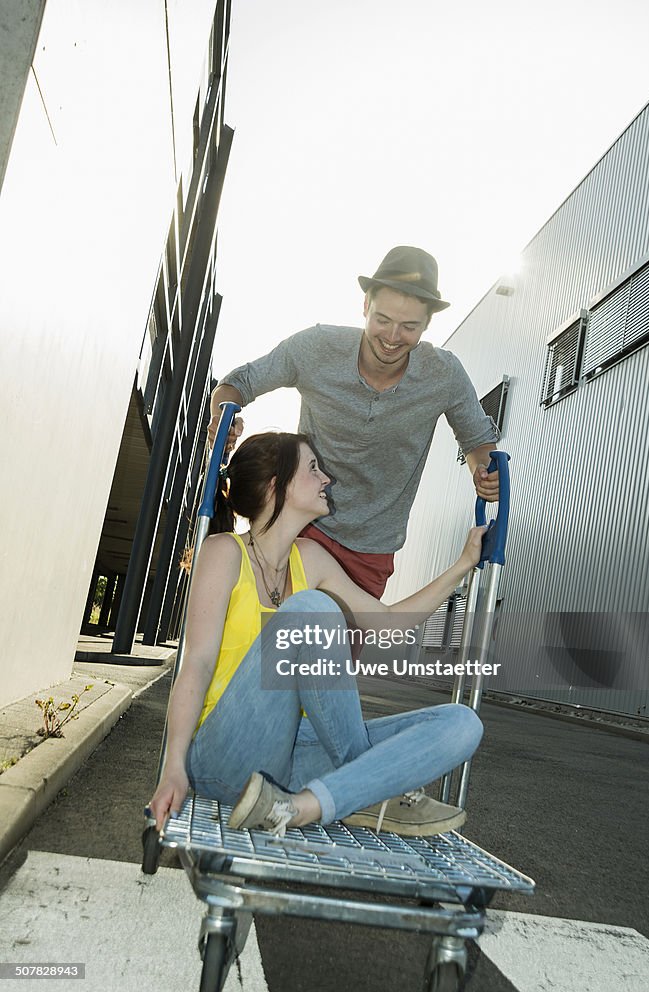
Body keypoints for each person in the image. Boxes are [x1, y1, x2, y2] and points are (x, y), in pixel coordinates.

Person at [149, 432, 486, 840]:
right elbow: (196, 666)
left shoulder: (310, 559)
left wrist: (463, 564)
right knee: (313, 610)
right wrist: (173, 768)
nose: (326, 478)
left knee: (462, 723)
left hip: (287, 767)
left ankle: (304, 806)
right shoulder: (224, 552)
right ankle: (367, 789)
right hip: (225, 754)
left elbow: (390, 624)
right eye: (313, 468)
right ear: (277, 485)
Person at [209, 246, 500, 599]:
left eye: (409, 327)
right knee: (275, 640)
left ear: (427, 324)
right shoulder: (317, 347)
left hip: (371, 548)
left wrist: (482, 473)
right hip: (301, 524)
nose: (393, 336)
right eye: (383, 319)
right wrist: (224, 416)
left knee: (337, 650)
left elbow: (477, 440)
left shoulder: (443, 374)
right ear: (365, 306)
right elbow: (239, 383)